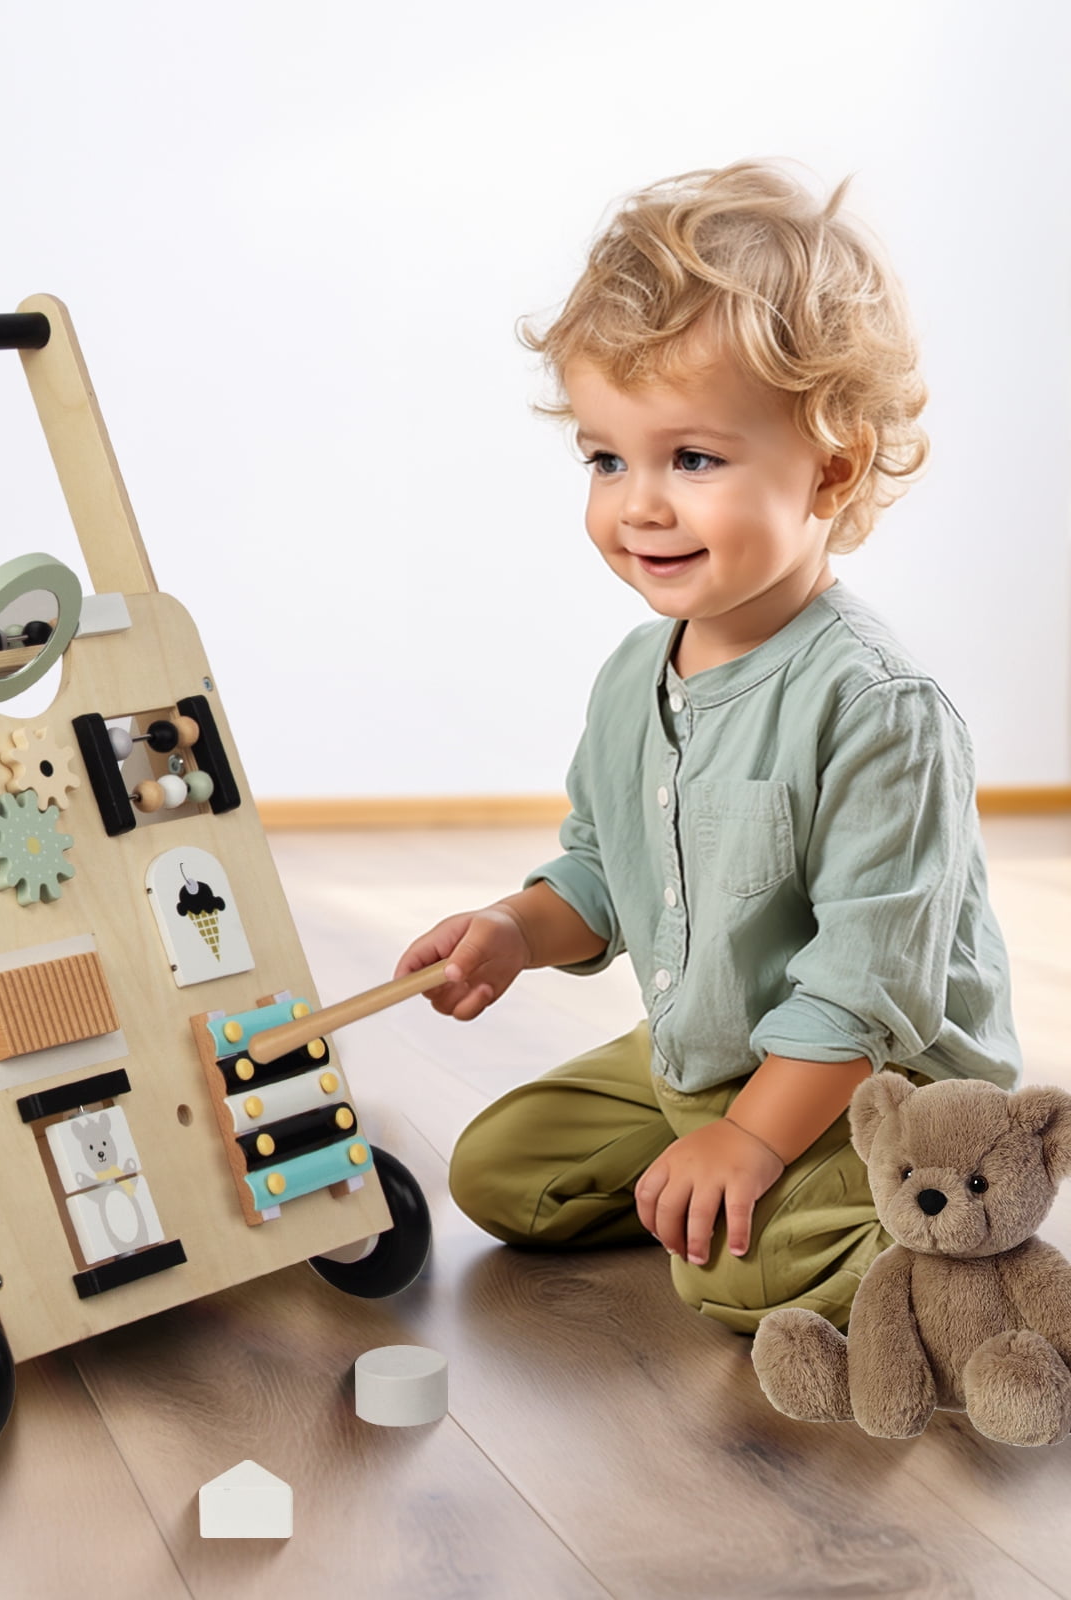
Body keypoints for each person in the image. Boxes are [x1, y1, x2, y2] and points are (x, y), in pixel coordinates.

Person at [395, 161, 1021, 1335]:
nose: (638, 505)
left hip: (875, 1081)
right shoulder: (634, 675)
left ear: (830, 468)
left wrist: (749, 1137)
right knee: (501, 1173)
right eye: (606, 459)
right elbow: (604, 866)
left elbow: (865, 986)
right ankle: (724, 1188)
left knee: (732, 1282)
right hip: (710, 1048)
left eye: (690, 459)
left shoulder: (879, 706)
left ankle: (957, 1220)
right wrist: (515, 930)